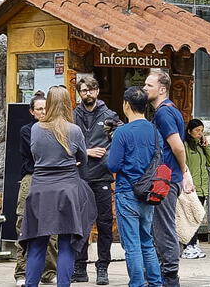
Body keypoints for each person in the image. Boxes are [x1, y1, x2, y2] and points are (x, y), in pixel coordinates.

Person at [19, 86, 97, 287]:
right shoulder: (74, 130)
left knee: (37, 243)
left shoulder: (36, 129)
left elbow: (35, 156)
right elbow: (83, 159)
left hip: (40, 189)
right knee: (66, 244)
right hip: (67, 190)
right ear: (68, 103)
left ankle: (30, 284)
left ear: (49, 103)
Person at [107, 87, 163, 287]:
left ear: (126, 105)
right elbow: (160, 159)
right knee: (146, 241)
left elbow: (112, 165)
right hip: (148, 193)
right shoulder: (155, 131)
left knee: (132, 245)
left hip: (127, 191)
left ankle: (137, 283)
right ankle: (156, 283)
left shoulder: (122, 132)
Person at [143, 69, 194, 287]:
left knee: (163, 228)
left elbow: (177, 146)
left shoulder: (164, 113)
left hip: (165, 179)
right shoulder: (171, 110)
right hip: (168, 177)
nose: (144, 89)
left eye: (149, 85)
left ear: (162, 89)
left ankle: (170, 276)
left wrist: (183, 171)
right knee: (162, 227)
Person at [72, 76, 121, 285]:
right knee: (80, 223)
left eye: (91, 90)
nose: (87, 94)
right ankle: (80, 267)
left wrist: (111, 159)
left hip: (101, 175)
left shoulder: (110, 116)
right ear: (79, 93)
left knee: (104, 223)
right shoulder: (73, 115)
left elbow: (121, 138)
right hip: (80, 176)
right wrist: (86, 151)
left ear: (97, 91)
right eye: (83, 91)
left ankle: (103, 267)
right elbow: (65, 143)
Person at [14, 91, 58, 286]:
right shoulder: (27, 130)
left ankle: (49, 272)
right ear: (32, 111)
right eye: (39, 109)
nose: (43, 112)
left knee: (52, 228)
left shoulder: (57, 129)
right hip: (31, 178)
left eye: (45, 108)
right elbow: (36, 153)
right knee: (24, 225)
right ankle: (21, 272)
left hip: (51, 179)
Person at [181, 119, 210, 259]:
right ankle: (189, 244)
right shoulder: (186, 146)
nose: (200, 134)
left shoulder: (200, 146)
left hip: (202, 187)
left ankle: (194, 244)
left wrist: (206, 146)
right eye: (197, 131)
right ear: (189, 131)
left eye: (202, 131)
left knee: (198, 217)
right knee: (191, 217)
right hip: (191, 187)